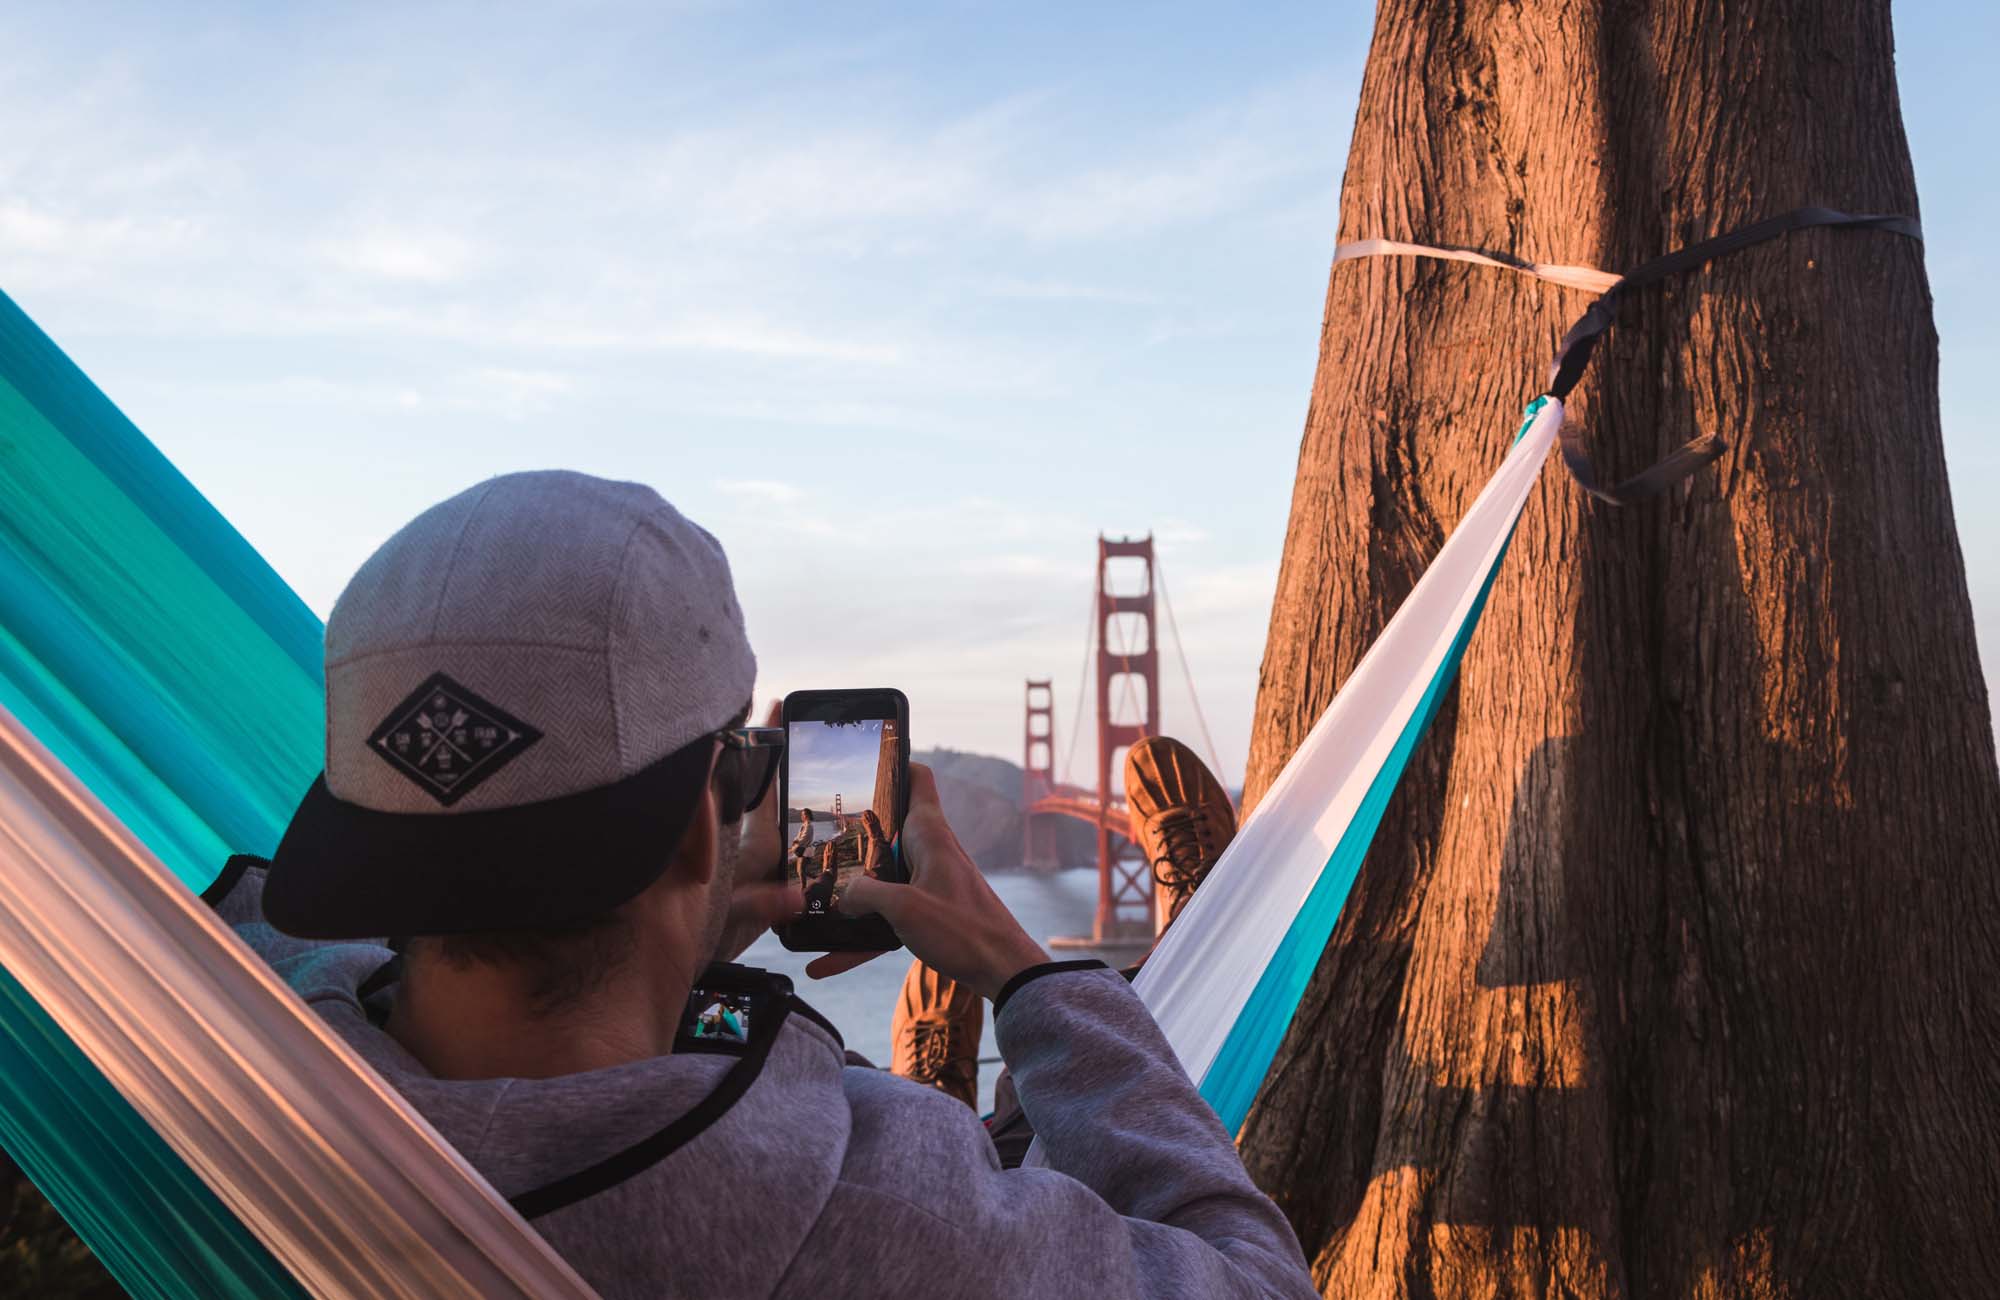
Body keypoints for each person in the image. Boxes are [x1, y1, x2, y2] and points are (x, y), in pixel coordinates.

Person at [214, 471, 1314, 1300]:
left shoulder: (209, 1034)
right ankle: (978, 1092)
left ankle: (947, 1089)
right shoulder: (882, 1215)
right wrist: (1023, 974)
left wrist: (670, 946)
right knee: (1010, 1118)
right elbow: (1255, 1278)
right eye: (742, 756)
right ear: (707, 820)